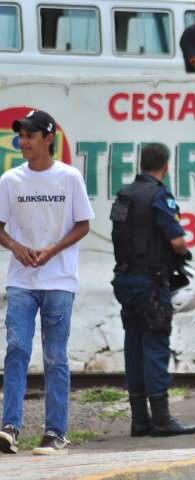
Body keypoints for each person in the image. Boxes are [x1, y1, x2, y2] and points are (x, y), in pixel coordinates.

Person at [0, 110, 94, 455]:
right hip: (21, 279)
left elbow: (83, 224)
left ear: (49, 138)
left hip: (59, 280)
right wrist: (16, 247)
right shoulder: (10, 180)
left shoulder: (69, 178)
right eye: (21, 136)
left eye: (30, 136)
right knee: (17, 350)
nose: (23, 142)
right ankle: (9, 427)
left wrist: (54, 250)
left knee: (55, 356)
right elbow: (0, 228)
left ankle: (56, 432)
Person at [111, 144, 195, 438]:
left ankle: (139, 420)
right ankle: (162, 420)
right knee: (155, 346)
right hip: (150, 282)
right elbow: (176, 240)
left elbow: (119, 233)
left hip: (125, 280)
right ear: (166, 166)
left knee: (134, 346)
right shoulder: (159, 195)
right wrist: (183, 255)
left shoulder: (125, 193)